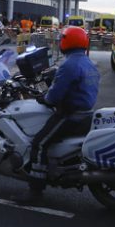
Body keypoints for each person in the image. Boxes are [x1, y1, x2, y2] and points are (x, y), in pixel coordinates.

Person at [27, 26, 99, 189]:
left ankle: (35, 189)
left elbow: (54, 96)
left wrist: (44, 98)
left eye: (61, 39)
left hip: (71, 115)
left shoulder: (69, 65)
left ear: (67, 41)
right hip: (86, 113)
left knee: (39, 143)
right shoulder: (88, 63)